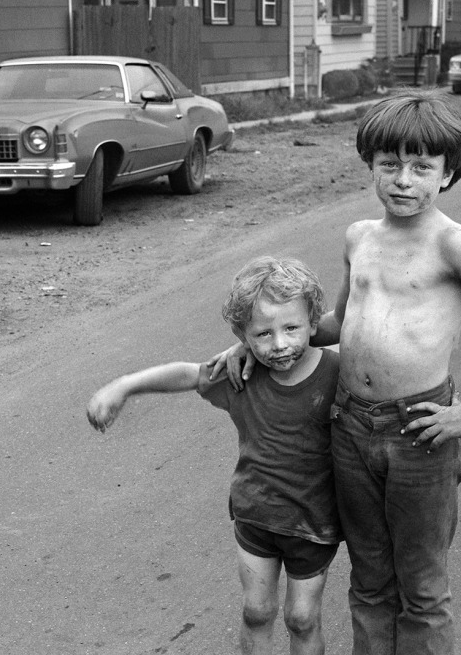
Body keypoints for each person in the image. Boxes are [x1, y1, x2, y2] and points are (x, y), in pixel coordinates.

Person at [215, 90, 461, 655]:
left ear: (448, 175)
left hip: (418, 431)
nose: (403, 180)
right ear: (370, 164)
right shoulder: (359, 238)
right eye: (390, 165)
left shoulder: (454, 245)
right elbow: (338, 323)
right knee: (369, 579)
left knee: (420, 586)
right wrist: (258, 342)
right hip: (349, 426)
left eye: (423, 167)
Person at [87, 256, 341, 655]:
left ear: (314, 322)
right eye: (262, 334)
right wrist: (123, 387)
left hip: (314, 521)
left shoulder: (337, 371)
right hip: (256, 515)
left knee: (302, 618)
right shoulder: (241, 375)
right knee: (256, 612)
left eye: (292, 328)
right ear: (242, 335)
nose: (279, 344)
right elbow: (188, 374)